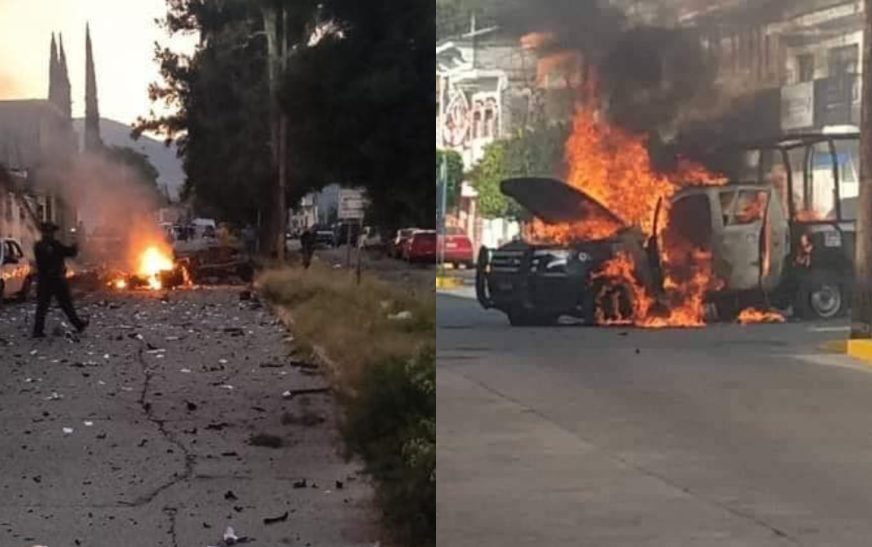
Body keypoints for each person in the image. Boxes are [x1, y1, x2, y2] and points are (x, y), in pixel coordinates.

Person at [32, 222, 88, 338]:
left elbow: (68, 252)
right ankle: (78, 325)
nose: (51, 234)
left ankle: (38, 330)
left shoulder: (40, 245)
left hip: (46, 280)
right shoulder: (51, 245)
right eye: (50, 232)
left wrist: (75, 245)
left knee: (45, 306)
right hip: (54, 280)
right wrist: (76, 244)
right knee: (63, 304)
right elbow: (69, 252)